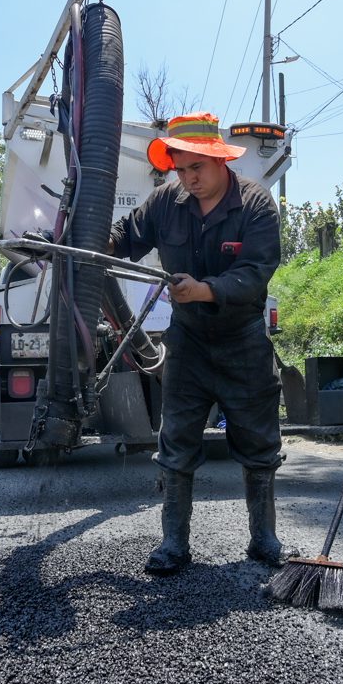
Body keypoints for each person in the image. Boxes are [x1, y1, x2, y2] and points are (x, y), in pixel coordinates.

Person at [109, 111, 289, 575]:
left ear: (219, 160)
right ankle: (174, 543)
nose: (189, 179)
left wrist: (205, 289)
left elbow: (255, 274)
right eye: (181, 170)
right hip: (188, 341)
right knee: (177, 439)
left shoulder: (256, 206)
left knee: (258, 440)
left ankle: (264, 538)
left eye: (197, 169)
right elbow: (125, 236)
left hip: (243, 339)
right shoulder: (165, 203)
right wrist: (89, 238)